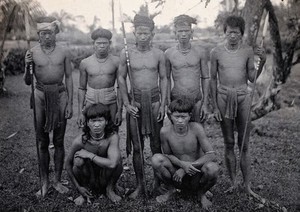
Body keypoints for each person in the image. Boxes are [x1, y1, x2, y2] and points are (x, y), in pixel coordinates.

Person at [210, 15, 266, 196]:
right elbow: (212, 79)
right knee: (229, 142)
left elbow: (252, 78)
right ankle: (233, 182)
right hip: (223, 96)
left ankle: (247, 185)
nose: (232, 36)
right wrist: (214, 106)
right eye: (229, 32)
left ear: (241, 34)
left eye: (236, 32)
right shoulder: (216, 52)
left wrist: (262, 61)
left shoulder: (248, 51)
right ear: (225, 32)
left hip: (243, 96)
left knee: (244, 143)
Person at [118, 14, 168, 198]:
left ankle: (157, 184)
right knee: (137, 146)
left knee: (156, 145)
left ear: (152, 34)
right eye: (140, 33)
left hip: (154, 102)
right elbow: (121, 78)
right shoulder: (127, 53)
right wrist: (126, 102)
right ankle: (140, 185)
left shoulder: (159, 54)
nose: (143, 36)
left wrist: (163, 104)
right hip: (135, 102)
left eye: (146, 33)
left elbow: (164, 79)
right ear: (134, 33)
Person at [23, 16, 73, 197]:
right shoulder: (32, 53)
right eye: (43, 33)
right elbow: (28, 81)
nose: (46, 37)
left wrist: (70, 103)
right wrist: (27, 64)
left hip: (59, 95)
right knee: (42, 141)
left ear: (55, 33)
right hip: (39, 95)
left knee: (58, 140)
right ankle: (44, 182)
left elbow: (69, 77)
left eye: (49, 33)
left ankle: (58, 181)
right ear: (38, 35)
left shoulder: (64, 52)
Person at [151, 98, 219, 209]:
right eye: (176, 117)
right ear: (170, 115)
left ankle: (201, 194)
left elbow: (211, 154)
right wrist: (182, 165)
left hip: (196, 174)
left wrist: (187, 167)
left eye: (183, 117)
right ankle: (171, 190)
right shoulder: (165, 131)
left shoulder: (196, 128)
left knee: (213, 168)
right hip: (177, 175)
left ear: (190, 116)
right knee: (156, 159)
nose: (180, 121)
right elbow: (167, 155)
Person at [66, 103, 123, 205]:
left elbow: (113, 164)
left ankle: (109, 189)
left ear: (106, 122)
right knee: (78, 161)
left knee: (117, 159)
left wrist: (90, 155)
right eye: (93, 121)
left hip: (105, 176)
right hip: (89, 176)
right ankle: (85, 190)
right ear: (87, 123)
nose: (96, 125)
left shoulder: (112, 137)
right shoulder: (80, 141)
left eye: (100, 120)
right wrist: (78, 187)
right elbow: (68, 164)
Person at [165, 14, 210, 123]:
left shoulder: (200, 52)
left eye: (186, 30)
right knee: (178, 134)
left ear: (191, 32)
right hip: (176, 100)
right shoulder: (169, 53)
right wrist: (167, 102)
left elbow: (206, 78)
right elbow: (165, 79)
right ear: (175, 33)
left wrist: (205, 103)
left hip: (196, 99)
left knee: (197, 132)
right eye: (180, 31)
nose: (183, 34)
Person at [77, 28, 122, 128]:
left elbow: (120, 87)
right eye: (98, 43)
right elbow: (81, 88)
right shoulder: (85, 63)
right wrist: (80, 112)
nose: (102, 46)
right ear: (93, 44)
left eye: (105, 43)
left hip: (110, 100)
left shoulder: (116, 62)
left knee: (112, 130)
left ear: (109, 43)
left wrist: (119, 111)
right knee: (90, 132)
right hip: (91, 100)